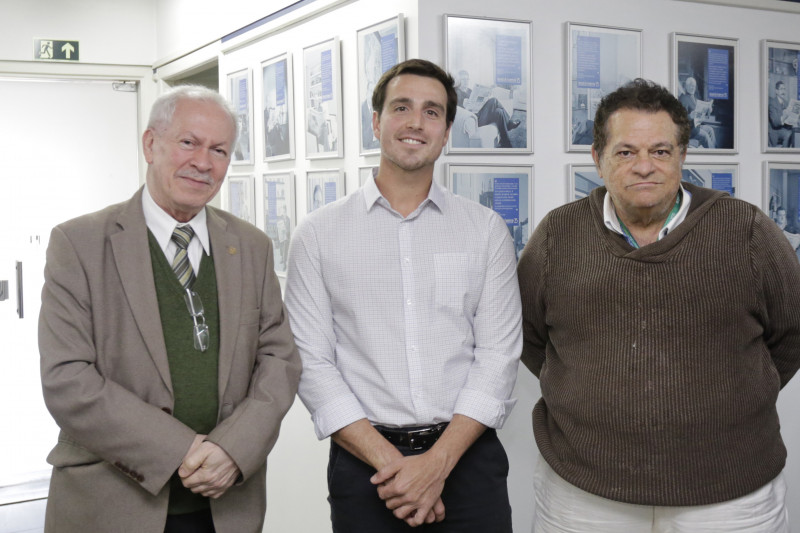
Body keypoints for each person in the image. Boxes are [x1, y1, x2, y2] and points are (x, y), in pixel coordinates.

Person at [518, 78, 800, 532]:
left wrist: (728, 398)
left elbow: (791, 332)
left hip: (728, 495)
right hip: (584, 492)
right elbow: (530, 336)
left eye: (661, 151)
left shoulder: (746, 230)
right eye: (626, 152)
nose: (644, 166)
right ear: (598, 158)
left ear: (682, 156)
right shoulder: (557, 235)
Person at [39, 85, 302, 533]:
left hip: (225, 505)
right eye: (188, 142)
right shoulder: (79, 244)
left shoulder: (251, 246)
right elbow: (67, 379)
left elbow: (279, 360)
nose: (203, 162)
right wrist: (181, 450)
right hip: (112, 506)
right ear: (150, 145)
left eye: (219, 150)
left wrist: (233, 449)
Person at [285, 59, 522, 532]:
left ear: (447, 131)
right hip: (366, 465)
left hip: (468, 460)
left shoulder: (485, 230)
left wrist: (436, 464)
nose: (416, 122)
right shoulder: (318, 235)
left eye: (432, 112)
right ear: (376, 122)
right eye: (401, 108)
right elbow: (311, 363)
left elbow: (498, 356)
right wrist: (398, 469)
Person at [454, 69, 520, 148]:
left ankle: (505, 142)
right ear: (458, 81)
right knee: (494, 100)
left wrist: (485, 97)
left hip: (480, 114)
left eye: (467, 79)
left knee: (499, 112)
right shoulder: (456, 93)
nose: (466, 81)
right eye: (463, 79)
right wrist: (463, 106)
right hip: (475, 120)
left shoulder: (470, 91)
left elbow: (478, 103)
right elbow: (457, 111)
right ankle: (508, 123)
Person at [678, 76, 716, 149]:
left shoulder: (693, 97)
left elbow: (700, 113)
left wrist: (708, 110)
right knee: (705, 136)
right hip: (690, 130)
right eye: (690, 85)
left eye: (694, 86)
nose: (693, 88)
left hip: (696, 126)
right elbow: (679, 119)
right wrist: (690, 116)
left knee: (710, 129)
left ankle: (714, 149)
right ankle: (713, 153)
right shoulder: (683, 99)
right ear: (686, 86)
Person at [768, 80, 795, 148]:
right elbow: (775, 122)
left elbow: (788, 120)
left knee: (793, 132)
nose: (783, 91)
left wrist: (794, 118)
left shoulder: (786, 102)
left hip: (784, 129)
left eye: (784, 89)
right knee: (788, 133)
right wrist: (785, 116)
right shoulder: (772, 102)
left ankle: (787, 150)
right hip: (774, 131)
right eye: (781, 89)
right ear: (776, 91)